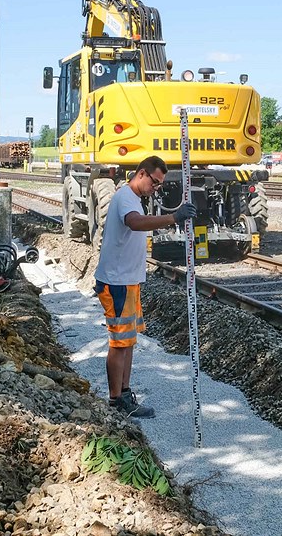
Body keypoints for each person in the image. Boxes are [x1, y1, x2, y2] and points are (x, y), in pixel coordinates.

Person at [94, 155, 196, 418]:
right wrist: (173, 218)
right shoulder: (125, 197)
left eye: (160, 184)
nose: (157, 188)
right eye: (155, 182)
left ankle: (125, 394)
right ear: (141, 174)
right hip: (117, 282)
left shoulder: (133, 198)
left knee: (127, 341)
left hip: (127, 281)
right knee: (119, 342)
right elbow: (135, 223)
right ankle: (116, 401)